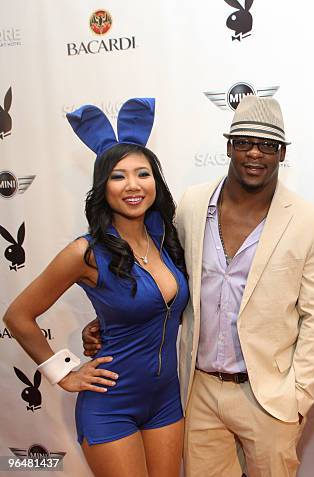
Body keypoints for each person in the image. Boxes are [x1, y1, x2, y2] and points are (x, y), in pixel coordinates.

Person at [84, 95, 314, 477]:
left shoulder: (308, 218)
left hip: (268, 396)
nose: (255, 153)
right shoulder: (191, 204)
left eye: (267, 145)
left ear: (282, 153)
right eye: (245, 142)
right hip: (197, 390)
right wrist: (111, 321)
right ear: (228, 146)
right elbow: (161, 277)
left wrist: (298, 397)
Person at [3, 98, 189, 477]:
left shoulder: (165, 237)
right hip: (111, 404)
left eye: (143, 173)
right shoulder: (85, 251)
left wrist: (101, 326)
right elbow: (18, 316)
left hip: (167, 400)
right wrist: (64, 372)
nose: (133, 185)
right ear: (102, 187)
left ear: (156, 180)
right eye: (118, 176)